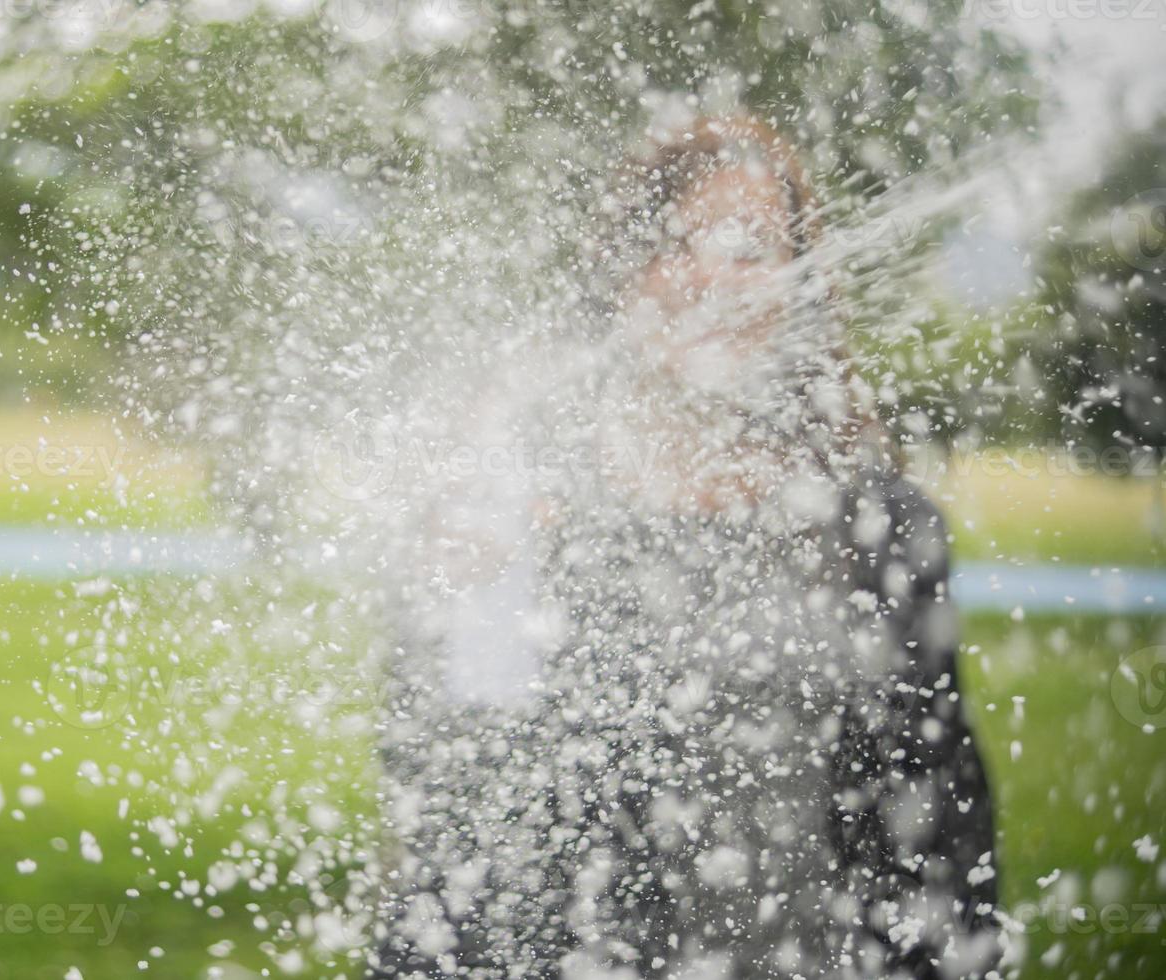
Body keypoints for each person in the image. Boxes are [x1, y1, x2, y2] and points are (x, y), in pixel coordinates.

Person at [371, 115, 1001, 979]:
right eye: (677, 243)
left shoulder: (869, 524)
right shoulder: (525, 485)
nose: (714, 278)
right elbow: (436, 767)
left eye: (750, 250)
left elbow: (931, 813)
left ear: (796, 283)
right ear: (620, 271)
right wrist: (448, 593)